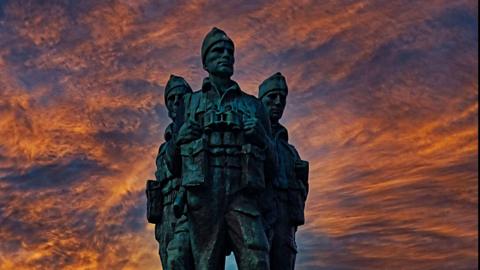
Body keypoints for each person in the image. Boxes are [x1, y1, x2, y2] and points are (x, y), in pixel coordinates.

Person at [165, 27, 276, 270]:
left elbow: (274, 166)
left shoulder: (254, 106)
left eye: (229, 51)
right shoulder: (189, 103)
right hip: (204, 196)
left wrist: (262, 139)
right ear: (205, 61)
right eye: (217, 50)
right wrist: (180, 139)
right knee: (206, 265)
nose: (225, 55)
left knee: (257, 260)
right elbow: (172, 166)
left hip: (243, 194)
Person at [258, 72, 309, 270]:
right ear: (261, 101)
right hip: (259, 214)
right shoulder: (251, 138)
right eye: (272, 97)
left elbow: (300, 193)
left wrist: (302, 179)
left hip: (285, 222)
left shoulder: (291, 151)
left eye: (282, 98)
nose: (278, 102)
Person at [153, 74, 192, 269]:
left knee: (180, 260)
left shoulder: (196, 132)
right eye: (171, 98)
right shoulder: (163, 147)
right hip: (166, 214)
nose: (176, 102)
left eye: (181, 97)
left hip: (189, 207)